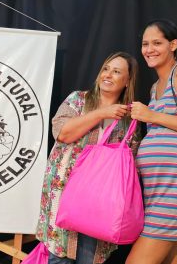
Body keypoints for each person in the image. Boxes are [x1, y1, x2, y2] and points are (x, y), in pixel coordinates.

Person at [36, 51, 140, 264]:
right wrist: (102, 113)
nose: (108, 75)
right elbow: (63, 133)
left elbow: (132, 164)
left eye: (117, 71)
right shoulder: (78, 100)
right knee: (60, 256)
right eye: (106, 69)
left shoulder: (130, 118)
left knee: (89, 257)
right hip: (65, 193)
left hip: (102, 202)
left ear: (128, 81)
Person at [126, 19, 177, 264]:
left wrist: (151, 115)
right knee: (170, 259)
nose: (149, 49)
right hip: (158, 187)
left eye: (156, 43)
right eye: (145, 44)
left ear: (173, 44)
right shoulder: (155, 88)